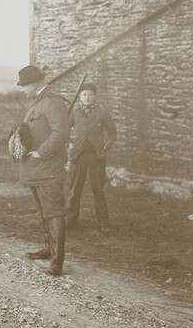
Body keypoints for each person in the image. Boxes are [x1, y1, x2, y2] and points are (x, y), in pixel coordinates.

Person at [15, 64, 70, 276]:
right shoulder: (37, 104)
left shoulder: (52, 103)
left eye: (24, 85)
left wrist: (42, 152)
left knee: (54, 212)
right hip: (37, 170)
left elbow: (62, 133)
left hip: (48, 168)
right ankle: (49, 248)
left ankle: (57, 261)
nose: (22, 90)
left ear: (34, 84)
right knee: (43, 212)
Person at [65, 82, 117, 232]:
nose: (87, 97)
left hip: (96, 157)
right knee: (74, 189)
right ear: (80, 97)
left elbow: (112, 134)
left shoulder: (102, 112)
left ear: (95, 97)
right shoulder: (74, 112)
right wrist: (69, 144)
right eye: (84, 94)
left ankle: (103, 223)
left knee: (98, 190)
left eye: (90, 95)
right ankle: (71, 220)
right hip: (78, 156)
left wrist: (106, 148)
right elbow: (64, 131)